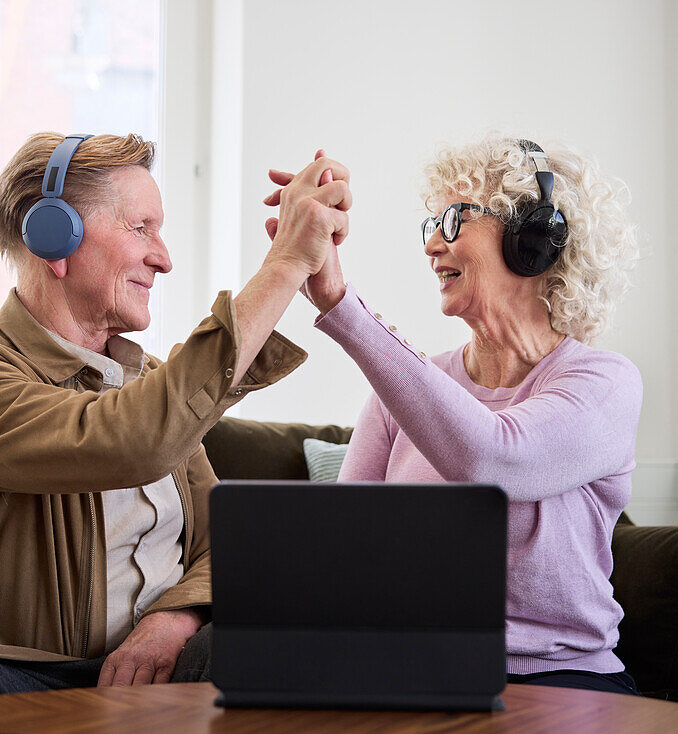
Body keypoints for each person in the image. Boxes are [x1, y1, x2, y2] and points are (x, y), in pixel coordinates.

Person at [0, 133, 351, 704]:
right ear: (53, 235)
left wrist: (177, 618)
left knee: (248, 647)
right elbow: (130, 438)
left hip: (159, 670)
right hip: (8, 678)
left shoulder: (148, 381)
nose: (164, 258)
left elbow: (222, 539)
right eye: (141, 227)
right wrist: (288, 260)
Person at [266, 135, 642, 695]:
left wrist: (342, 305)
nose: (431, 245)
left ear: (533, 237)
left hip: (561, 681)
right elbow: (339, 548)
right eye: (431, 223)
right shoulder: (408, 390)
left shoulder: (604, 382)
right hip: (413, 669)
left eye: (455, 219)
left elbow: (494, 460)